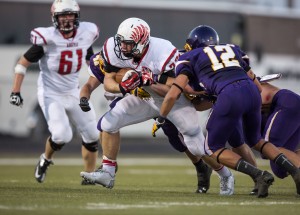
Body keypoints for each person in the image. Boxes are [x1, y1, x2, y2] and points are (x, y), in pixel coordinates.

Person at [80, 17, 235, 195]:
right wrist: (123, 87)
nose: (122, 47)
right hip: (144, 97)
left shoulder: (163, 51)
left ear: (142, 42)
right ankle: (107, 172)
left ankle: (225, 174)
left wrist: (150, 79)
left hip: (172, 99)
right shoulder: (112, 49)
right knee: (108, 123)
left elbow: (175, 87)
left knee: (196, 146)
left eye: (128, 44)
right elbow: (108, 80)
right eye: (121, 42)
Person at [155, 25, 300, 198]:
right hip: (252, 92)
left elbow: (173, 94)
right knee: (256, 141)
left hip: (229, 94)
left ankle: (259, 175)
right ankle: (295, 172)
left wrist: (162, 117)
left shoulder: (189, 57)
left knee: (211, 148)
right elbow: (258, 86)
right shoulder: (232, 48)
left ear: (191, 45)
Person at [9, 0, 100, 184]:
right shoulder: (47, 39)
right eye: (62, 16)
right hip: (50, 92)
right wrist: (15, 91)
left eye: (70, 15)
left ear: (77, 16)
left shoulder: (85, 35)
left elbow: (91, 62)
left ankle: (89, 175)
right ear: (54, 18)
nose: (66, 20)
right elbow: (22, 64)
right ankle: (46, 159)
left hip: (73, 91)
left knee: (92, 133)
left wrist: (102, 78)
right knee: (61, 135)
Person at [260, 82, 300, 179]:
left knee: (268, 148)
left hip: (286, 102)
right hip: (289, 104)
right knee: (280, 169)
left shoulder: (243, 82)